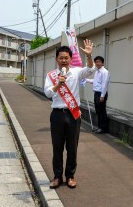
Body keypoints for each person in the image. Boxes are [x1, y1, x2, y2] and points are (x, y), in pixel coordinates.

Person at [44, 39, 94, 189]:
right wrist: (58, 84)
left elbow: (91, 69)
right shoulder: (51, 75)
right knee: (57, 147)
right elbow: (47, 93)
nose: (64, 60)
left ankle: (70, 176)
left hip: (73, 114)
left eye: (66, 58)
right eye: (61, 58)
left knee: (72, 147)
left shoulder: (77, 72)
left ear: (70, 59)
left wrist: (89, 56)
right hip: (57, 114)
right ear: (56, 59)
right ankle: (57, 177)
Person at [86, 56, 110, 134]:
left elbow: (104, 84)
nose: (97, 63)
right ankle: (99, 127)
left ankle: (103, 128)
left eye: (99, 62)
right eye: (96, 62)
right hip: (96, 93)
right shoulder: (97, 71)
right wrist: (86, 80)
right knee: (98, 111)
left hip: (101, 94)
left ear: (102, 63)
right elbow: (96, 81)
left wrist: (102, 96)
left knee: (102, 111)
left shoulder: (104, 72)